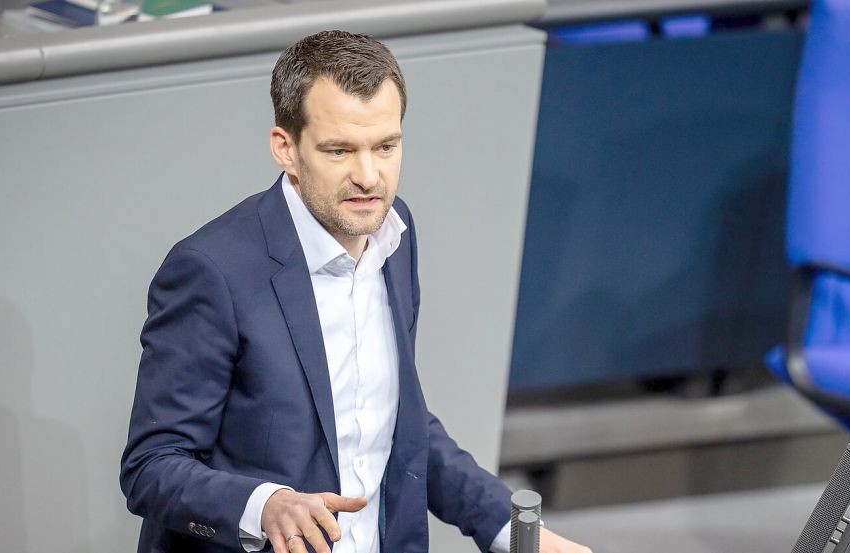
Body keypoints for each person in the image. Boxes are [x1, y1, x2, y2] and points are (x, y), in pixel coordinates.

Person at [120, 30, 591, 553]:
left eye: (386, 146)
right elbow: (152, 467)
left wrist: (509, 529)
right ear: (286, 149)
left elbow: (398, 425)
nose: (369, 177)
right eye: (340, 150)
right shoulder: (211, 271)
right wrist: (267, 506)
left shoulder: (395, 234)